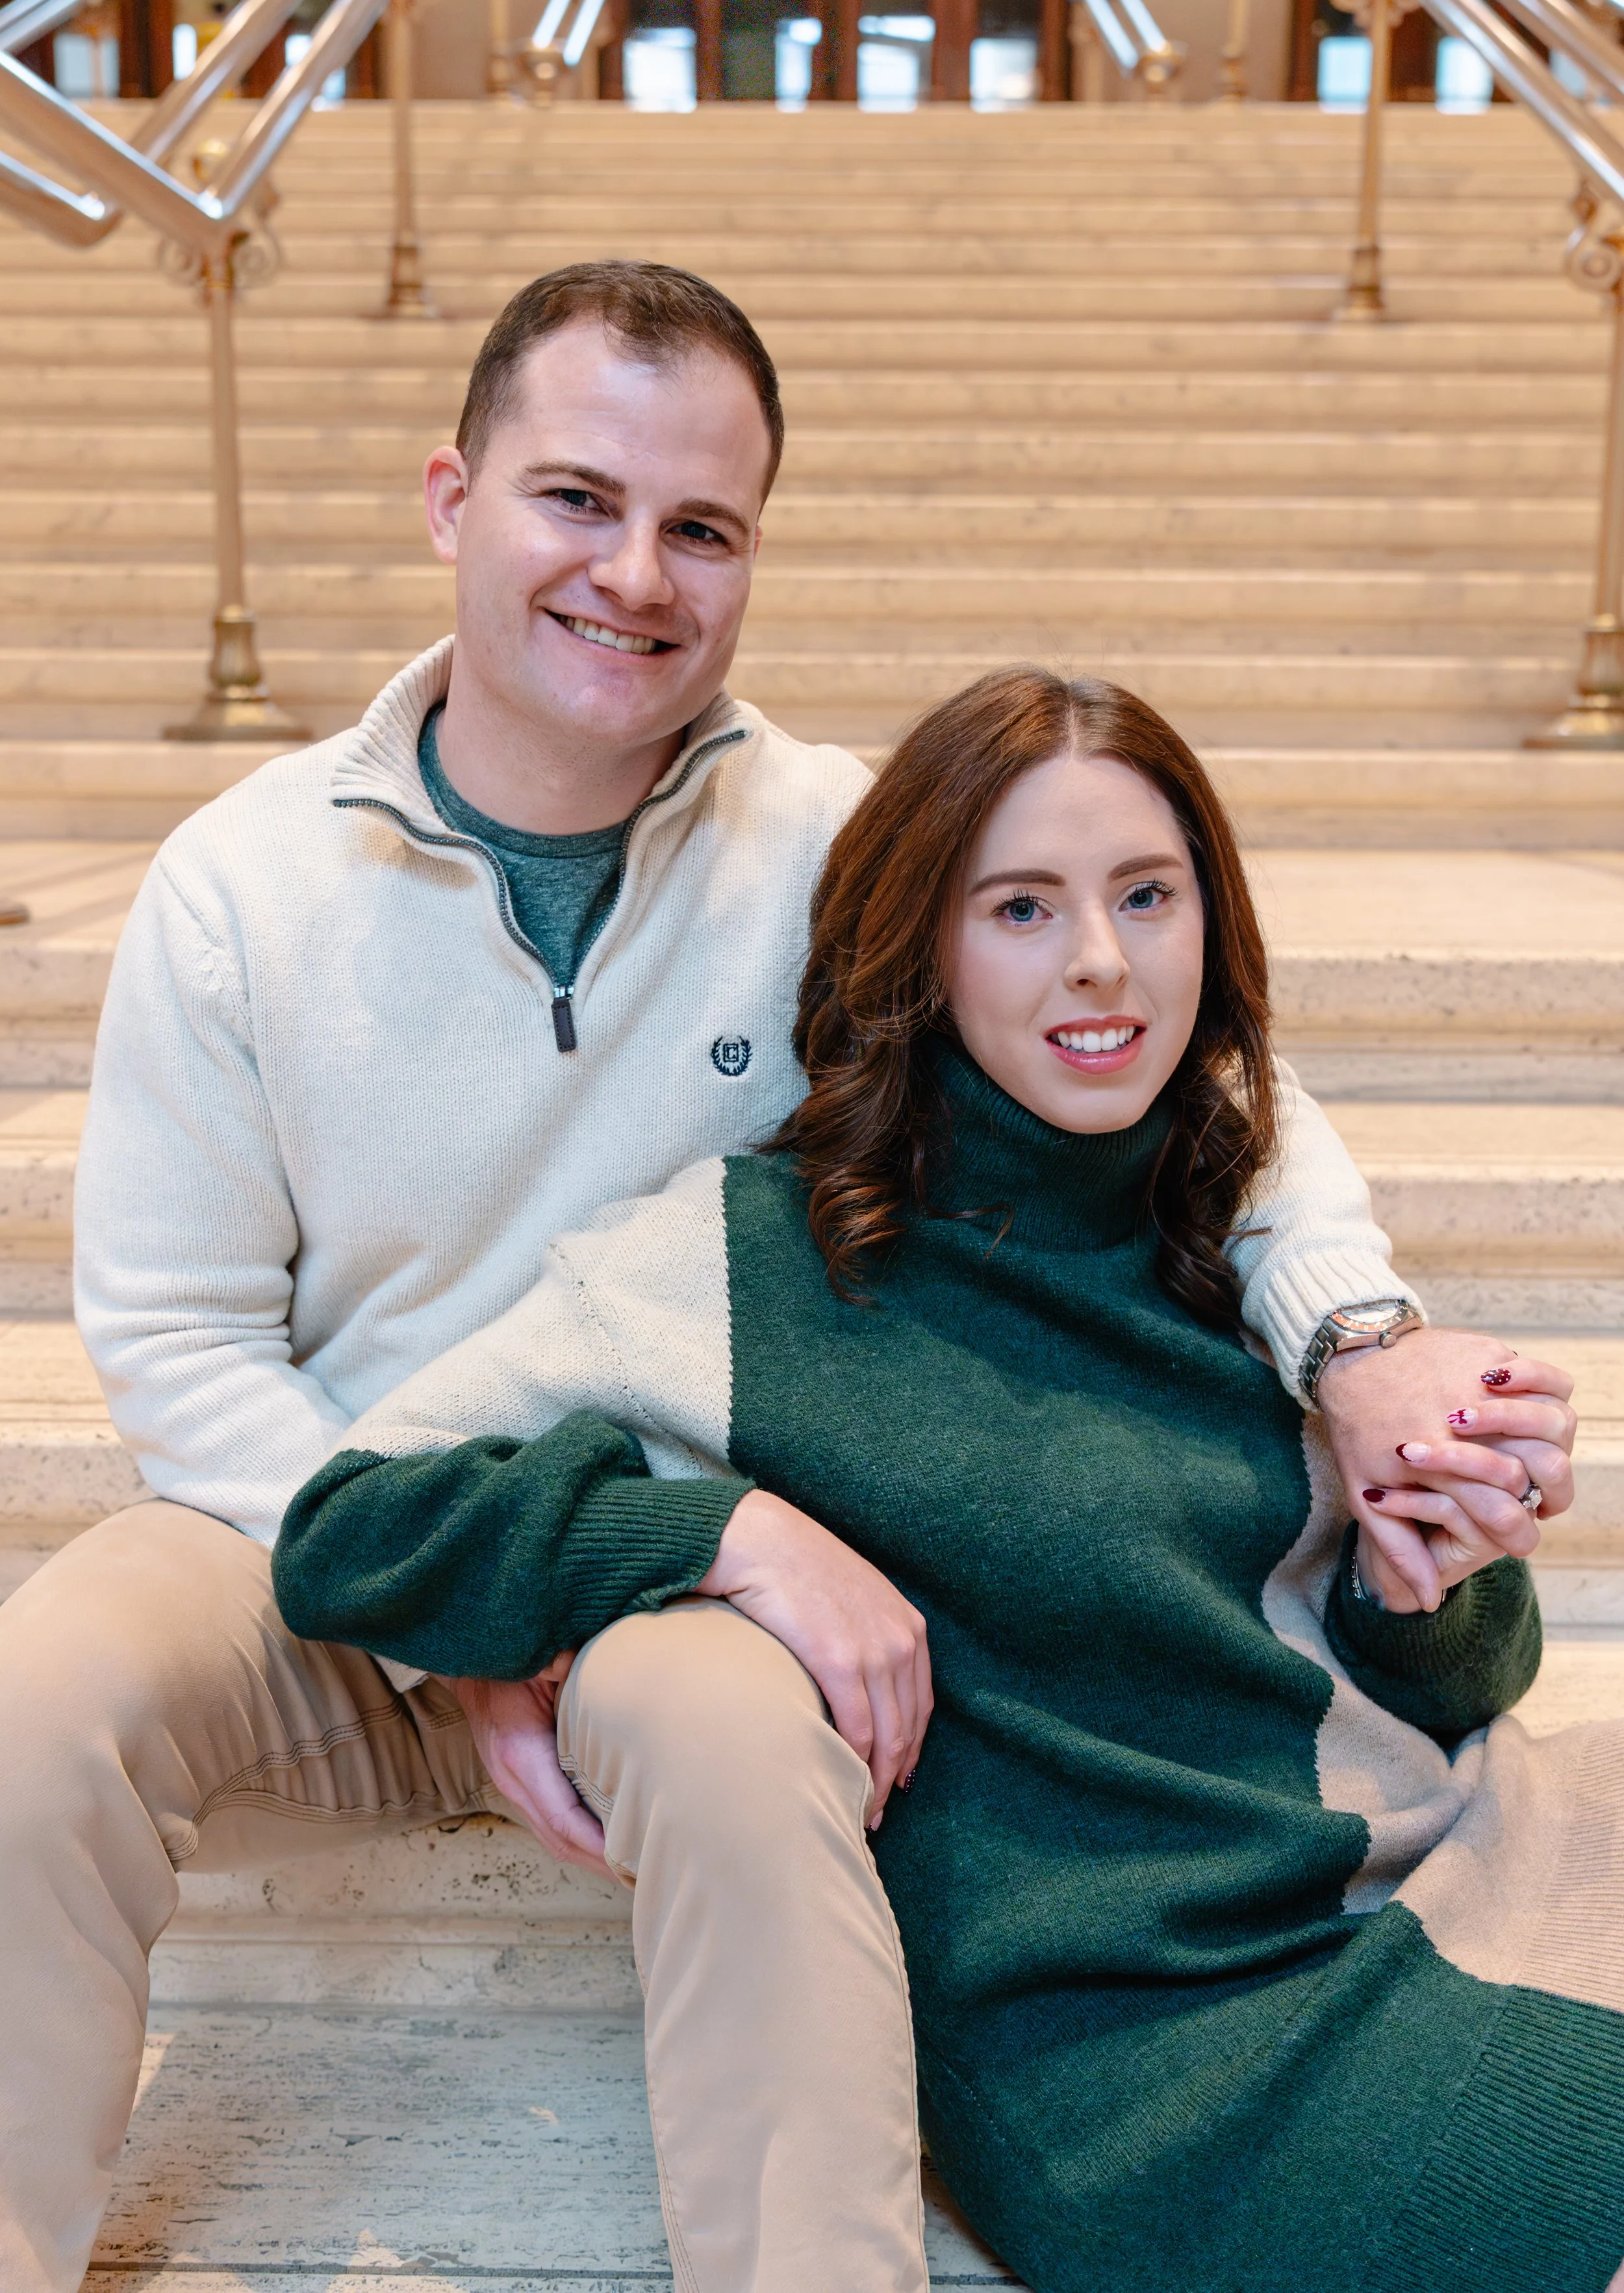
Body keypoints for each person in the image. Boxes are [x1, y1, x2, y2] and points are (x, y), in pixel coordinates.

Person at [0, 262, 1569, 2293]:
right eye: (575, 499)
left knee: (746, 1749)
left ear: (750, 556)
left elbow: (1207, 1089)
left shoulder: (827, 837)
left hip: (694, 1538)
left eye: (701, 527)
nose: (633, 573)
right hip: (318, 1501)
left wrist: (1355, 1340)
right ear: (448, 498)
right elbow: (177, 1344)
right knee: (44, 1690)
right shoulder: (241, 881)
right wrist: (478, 1608)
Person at [275, 667, 1612, 2293]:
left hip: (1443, 1863)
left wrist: (1426, 1577)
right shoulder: (750, 1267)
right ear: (919, 946)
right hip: (1151, 2058)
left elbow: (1459, 1683)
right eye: (1020, 909)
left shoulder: (1244, 1223)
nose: (1100, 962)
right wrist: (721, 1531)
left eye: (1144, 894)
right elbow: (350, 1522)